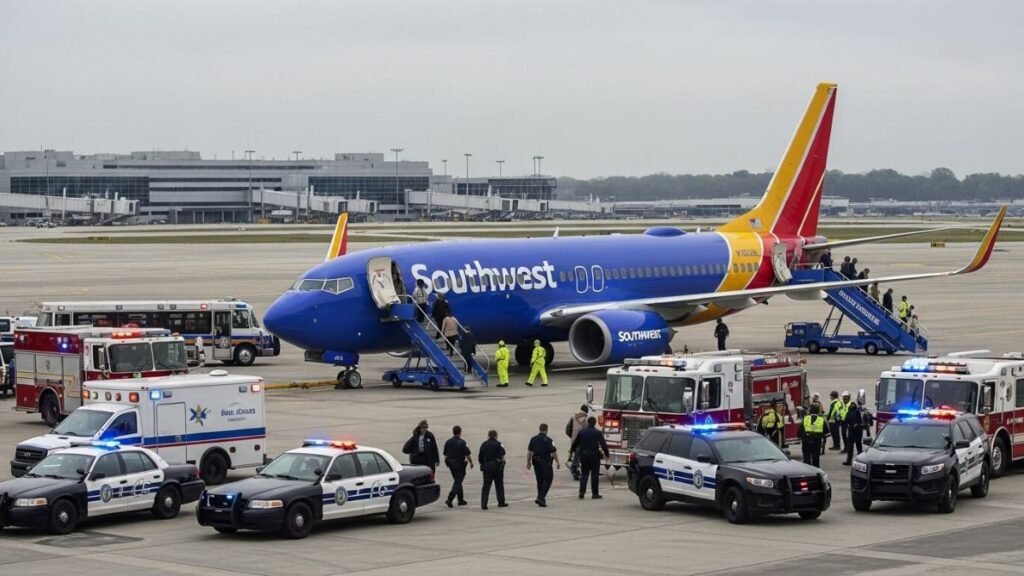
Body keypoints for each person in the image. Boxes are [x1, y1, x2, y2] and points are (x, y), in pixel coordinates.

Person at [570, 416, 610, 499]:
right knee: (594, 475)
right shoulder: (597, 432)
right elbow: (603, 445)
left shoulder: (582, 432)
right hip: (594, 456)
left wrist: (571, 451)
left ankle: (581, 492)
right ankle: (595, 493)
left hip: (584, 456)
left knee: (584, 474)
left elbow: (575, 443)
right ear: (595, 423)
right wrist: (607, 454)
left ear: (588, 423)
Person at [526, 423, 560, 507]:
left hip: (536, 462)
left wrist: (528, 462)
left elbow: (529, 452)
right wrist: (557, 462)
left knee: (540, 480)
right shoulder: (548, 440)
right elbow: (553, 452)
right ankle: (541, 497)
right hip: (545, 462)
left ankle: (541, 499)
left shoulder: (533, 439)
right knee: (548, 479)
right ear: (546, 430)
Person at [443, 425, 472, 507]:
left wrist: (447, 463)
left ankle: (460, 499)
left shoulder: (448, 442)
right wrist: (471, 462)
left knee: (458, 481)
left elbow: (445, 455)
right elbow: (467, 454)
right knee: (458, 481)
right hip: (459, 465)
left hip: (451, 464)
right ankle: (450, 498)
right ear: (460, 432)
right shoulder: (462, 442)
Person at [478, 429, 507, 509]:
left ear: (488, 436)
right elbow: (502, 453)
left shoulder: (483, 444)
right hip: (496, 467)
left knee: (486, 486)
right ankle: (501, 502)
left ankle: (484, 504)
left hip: (487, 466)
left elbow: (480, 457)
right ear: (496, 436)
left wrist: (483, 464)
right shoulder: (498, 444)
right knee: (499, 485)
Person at [569, 404, 590, 481]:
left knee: (576, 456)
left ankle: (575, 470)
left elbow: (568, 428)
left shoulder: (573, 417)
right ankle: (575, 471)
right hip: (581, 441)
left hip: (574, 439)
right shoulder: (586, 420)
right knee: (579, 457)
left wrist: (572, 436)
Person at [843, 399, 864, 465]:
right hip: (857, 430)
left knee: (850, 446)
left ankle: (849, 460)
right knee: (858, 445)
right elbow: (860, 421)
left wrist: (846, 428)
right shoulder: (857, 412)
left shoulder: (849, 412)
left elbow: (845, 422)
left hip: (852, 430)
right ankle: (861, 460)